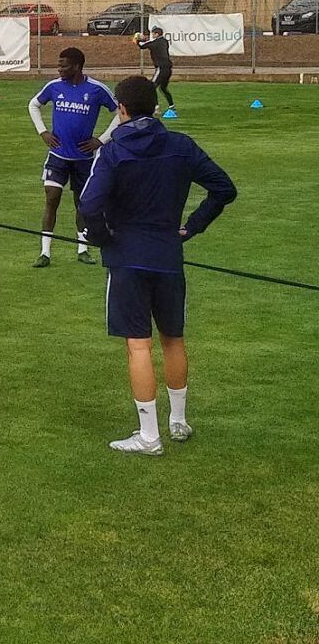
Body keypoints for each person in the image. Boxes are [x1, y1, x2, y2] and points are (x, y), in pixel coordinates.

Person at [79, 76, 236, 455]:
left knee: (138, 345)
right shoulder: (182, 145)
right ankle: (178, 422)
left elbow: (88, 205)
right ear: (154, 107)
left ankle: (150, 436)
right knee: (173, 339)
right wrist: (192, 226)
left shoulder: (112, 152)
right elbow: (223, 189)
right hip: (168, 255)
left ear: (121, 109)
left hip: (127, 259)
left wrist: (100, 237)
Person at [27, 47, 119, 268]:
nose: (59, 69)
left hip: (84, 159)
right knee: (52, 199)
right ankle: (45, 252)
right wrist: (43, 132)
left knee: (82, 204)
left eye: (64, 66)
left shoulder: (97, 89)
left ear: (77, 66)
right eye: (58, 65)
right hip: (57, 156)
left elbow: (120, 112)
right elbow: (33, 104)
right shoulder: (54, 87)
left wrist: (102, 140)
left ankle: (82, 249)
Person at [134, 27, 175, 112]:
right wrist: (144, 40)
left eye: (153, 33)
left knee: (152, 87)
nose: (152, 35)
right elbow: (150, 43)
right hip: (168, 68)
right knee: (163, 88)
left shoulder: (155, 43)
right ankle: (171, 106)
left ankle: (156, 107)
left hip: (161, 68)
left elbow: (142, 46)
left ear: (157, 34)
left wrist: (137, 39)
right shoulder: (164, 41)